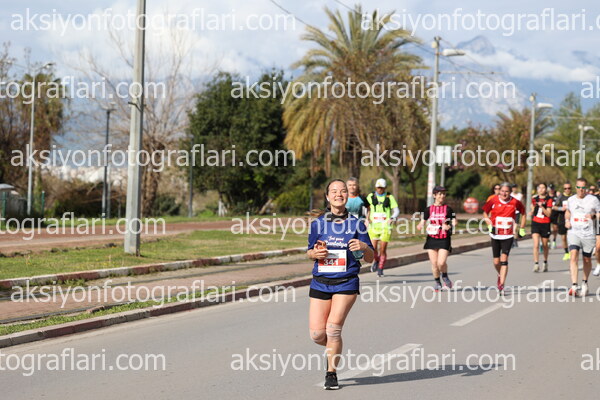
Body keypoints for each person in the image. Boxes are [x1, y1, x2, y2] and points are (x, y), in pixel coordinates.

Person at [307, 179, 374, 390]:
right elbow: (309, 251)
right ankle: (334, 349)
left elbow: (370, 258)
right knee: (317, 334)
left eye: (343, 191)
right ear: (327, 196)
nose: (339, 194)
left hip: (346, 282)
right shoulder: (318, 224)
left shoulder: (357, 224)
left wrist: (364, 246)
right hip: (321, 282)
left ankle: (331, 373)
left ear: (347, 196)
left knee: (333, 329)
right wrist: (315, 254)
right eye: (334, 191)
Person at [483, 182, 526, 294]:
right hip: (495, 234)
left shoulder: (515, 202)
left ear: (510, 192)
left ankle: (501, 284)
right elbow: (485, 213)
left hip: (508, 235)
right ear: (499, 191)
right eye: (502, 191)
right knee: (496, 261)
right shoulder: (493, 200)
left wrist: (522, 228)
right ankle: (500, 274)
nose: (504, 193)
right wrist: (489, 225)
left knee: (504, 259)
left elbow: (523, 213)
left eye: (507, 191)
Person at [416, 186, 457, 291]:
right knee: (434, 264)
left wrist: (449, 226)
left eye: (444, 194)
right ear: (434, 195)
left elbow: (454, 221)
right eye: (440, 194)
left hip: (444, 238)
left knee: (441, 263)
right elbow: (423, 221)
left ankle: (445, 276)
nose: (442, 196)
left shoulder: (448, 209)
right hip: (432, 238)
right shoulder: (428, 209)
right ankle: (438, 282)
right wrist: (420, 225)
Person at [564, 177, 600, 297]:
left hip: (588, 233)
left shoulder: (593, 200)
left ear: (586, 188)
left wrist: (593, 216)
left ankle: (584, 282)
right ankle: (574, 285)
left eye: (583, 187)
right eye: (579, 187)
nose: (581, 190)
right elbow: (568, 212)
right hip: (574, 232)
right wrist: (567, 220)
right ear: (576, 188)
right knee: (573, 255)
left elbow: (599, 213)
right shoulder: (571, 199)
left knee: (586, 259)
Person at [365, 178, 399, 277]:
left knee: (382, 249)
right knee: (373, 248)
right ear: (376, 187)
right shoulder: (370, 196)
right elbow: (365, 208)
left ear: (385, 188)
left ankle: (380, 268)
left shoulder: (389, 197)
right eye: (378, 187)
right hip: (373, 226)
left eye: (382, 188)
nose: (380, 189)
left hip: (385, 227)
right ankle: (376, 260)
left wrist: (392, 218)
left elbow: (396, 210)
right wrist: (367, 218)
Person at [531, 183, 554, 272]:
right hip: (535, 223)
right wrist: (532, 210)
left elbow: (548, 214)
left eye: (543, 188)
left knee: (545, 245)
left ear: (546, 189)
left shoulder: (549, 199)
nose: (541, 189)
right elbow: (533, 209)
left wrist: (542, 206)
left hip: (545, 223)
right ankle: (536, 264)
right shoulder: (534, 199)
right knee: (536, 244)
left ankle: (545, 262)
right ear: (537, 189)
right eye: (539, 188)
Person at [552, 183, 572, 261]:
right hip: (562, 220)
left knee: (571, 237)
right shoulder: (560, 197)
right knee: (563, 238)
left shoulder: (573, 197)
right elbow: (554, 207)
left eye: (569, 188)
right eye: (565, 188)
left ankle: (572, 251)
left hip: (572, 220)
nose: (567, 190)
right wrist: (561, 208)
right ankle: (566, 252)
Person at [548, 184, 559, 249]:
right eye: (550, 189)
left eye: (552, 189)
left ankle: (554, 240)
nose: (551, 190)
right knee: (547, 229)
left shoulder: (556, 196)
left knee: (555, 228)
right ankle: (548, 240)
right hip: (548, 214)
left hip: (555, 214)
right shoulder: (547, 196)